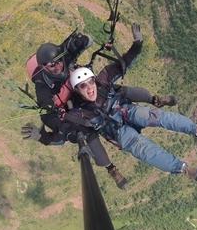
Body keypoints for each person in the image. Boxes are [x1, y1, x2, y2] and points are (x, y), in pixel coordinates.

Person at [60, 25, 197, 181]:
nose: (89, 88)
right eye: (83, 86)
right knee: (143, 149)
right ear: (77, 89)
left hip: (125, 110)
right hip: (117, 132)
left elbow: (125, 61)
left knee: (156, 116)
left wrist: (138, 43)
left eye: (90, 82)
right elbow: (68, 132)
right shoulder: (78, 111)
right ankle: (183, 169)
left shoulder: (103, 79)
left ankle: (196, 130)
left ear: (94, 79)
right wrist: (43, 135)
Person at [23, 30, 128, 189]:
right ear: (44, 67)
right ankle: (110, 168)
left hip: (80, 87)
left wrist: (80, 41)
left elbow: (85, 42)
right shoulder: (41, 84)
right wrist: (44, 132)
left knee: (106, 95)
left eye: (58, 61)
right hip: (69, 104)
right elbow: (46, 109)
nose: (58, 65)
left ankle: (131, 117)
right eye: (52, 65)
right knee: (81, 133)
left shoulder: (63, 56)